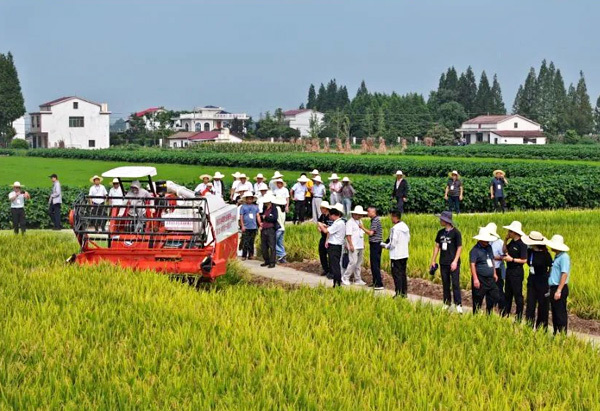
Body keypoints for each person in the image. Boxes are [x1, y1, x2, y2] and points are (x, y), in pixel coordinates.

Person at [430, 211, 463, 312]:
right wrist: (433, 260)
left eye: (441, 219)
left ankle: (458, 304)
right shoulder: (440, 233)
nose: (440, 221)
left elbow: (459, 247)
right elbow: (437, 246)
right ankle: (446, 302)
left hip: (453, 262)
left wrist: (455, 261)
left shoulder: (456, 233)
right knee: (445, 283)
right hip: (443, 262)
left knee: (455, 284)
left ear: (446, 221)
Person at [522, 231, 553, 330]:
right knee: (530, 305)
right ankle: (529, 327)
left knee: (543, 306)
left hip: (543, 281)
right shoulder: (530, 251)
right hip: (532, 280)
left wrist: (548, 277)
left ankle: (541, 329)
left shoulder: (545, 254)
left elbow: (550, 267)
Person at [470, 228, 501, 314]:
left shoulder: (489, 247)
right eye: (486, 240)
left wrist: (494, 273)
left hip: (490, 278)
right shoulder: (474, 250)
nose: (487, 242)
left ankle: (489, 315)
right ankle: (476, 316)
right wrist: (475, 279)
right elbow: (472, 264)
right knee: (477, 300)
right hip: (480, 279)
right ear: (480, 239)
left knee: (494, 296)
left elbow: (492, 260)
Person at [501, 221, 527, 321]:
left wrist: (512, 259)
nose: (508, 233)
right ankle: (505, 313)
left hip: (517, 271)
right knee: (507, 293)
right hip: (509, 270)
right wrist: (505, 240)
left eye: (510, 231)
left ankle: (519, 317)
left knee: (517, 295)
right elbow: (504, 250)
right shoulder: (512, 242)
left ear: (515, 232)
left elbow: (524, 260)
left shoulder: (522, 244)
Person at [546, 234, 571, 334]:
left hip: (559, 288)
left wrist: (559, 290)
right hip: (553, 287)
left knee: (560, 312)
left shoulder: (564, 257)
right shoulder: (557, 256)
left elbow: (564, 273)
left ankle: (562, 334)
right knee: (555, 312)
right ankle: (556, 332)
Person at [382, 211, 410, 298]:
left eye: (391, 217)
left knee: (396, 274)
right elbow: (408, 239)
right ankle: (404, 293)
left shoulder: (395, 228)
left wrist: (385, 246)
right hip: (404, 254)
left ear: (394, 217)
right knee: (403, 273)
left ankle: (398, 292)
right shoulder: (405, 227)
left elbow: (393, 243)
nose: (391, 219)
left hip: (396, 255)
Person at [342, 205, 367, 286]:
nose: (359, 216)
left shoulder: (360, 222)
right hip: (354, 245)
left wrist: (363, 243)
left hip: (360, 245)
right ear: (353, 214)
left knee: (359, 263)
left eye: (360, 214)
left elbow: (361, 234)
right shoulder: (350, 222)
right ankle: (345, 277)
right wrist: (351, 245)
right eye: (357, 214)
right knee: (353, 262)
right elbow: (348, 235)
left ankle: (358, 279)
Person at [360, 206, 384, 290]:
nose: (367, 213)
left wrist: (362, 228)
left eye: (369, 211)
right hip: (375, 244)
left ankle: (379, 284)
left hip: (376, 244)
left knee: (375, 264)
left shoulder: (375, 220)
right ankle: (375, 282)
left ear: (374, 212)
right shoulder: (374, 220)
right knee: (374, 264)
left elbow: (371, 233)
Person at [484, 223, 506, 313]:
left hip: (497, 269)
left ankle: (502, 310)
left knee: (499, 291)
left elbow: (504, 256)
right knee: (488, 292)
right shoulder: (486, 242)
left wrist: (492, 257)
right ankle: (489, 311)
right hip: (487, 270)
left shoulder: (499, 243)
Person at [323, 203, 346, 287]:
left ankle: (337, 283)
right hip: (337, 246)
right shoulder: (340, 223)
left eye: (330, 215)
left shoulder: (338, 223)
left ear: (334, 215)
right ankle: (336, 283)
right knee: (335, 265)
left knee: (335, 266)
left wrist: (320, 225)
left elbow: (326, 231)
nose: (329, 217)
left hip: (334, 246)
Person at [259, 193, 278, 268]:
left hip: (271, 229)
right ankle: (266, 260)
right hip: (264, 228)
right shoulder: (264, 208)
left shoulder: (274, 209)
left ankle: (272, 262)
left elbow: (274, 218)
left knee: (272, 246)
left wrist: (265, 217)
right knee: (264, 246)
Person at [239, 191, 260, 260]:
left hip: (253, 226)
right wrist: (242, 226)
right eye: (248, 199)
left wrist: (260, 224)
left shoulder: (255, 207)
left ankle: (251, 254)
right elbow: (241, 217)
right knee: (245, 241)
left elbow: (257, 216)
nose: (249, 200)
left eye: (251, 199)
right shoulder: (243, 207)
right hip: (246, 226)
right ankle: (244, 255)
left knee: (251, 241)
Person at [316, 201, 332, 278]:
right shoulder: (322, 216)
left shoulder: (330, 216)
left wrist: (323, 226)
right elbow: (318, 223)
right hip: (323, 236)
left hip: (329, 237)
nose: (321, 209)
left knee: (330, 254)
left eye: (322, 208)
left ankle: (331, 270)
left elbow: (330, 227)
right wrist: (319, 227)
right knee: (322, 253)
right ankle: (325, 269)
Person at [273, 196, 288, 264]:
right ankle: (282, 257)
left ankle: (282, 254)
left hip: (278, 229)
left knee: (273, 243)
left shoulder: (277, 209)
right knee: (280, 243)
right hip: (282, 228)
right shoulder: (283, 210)